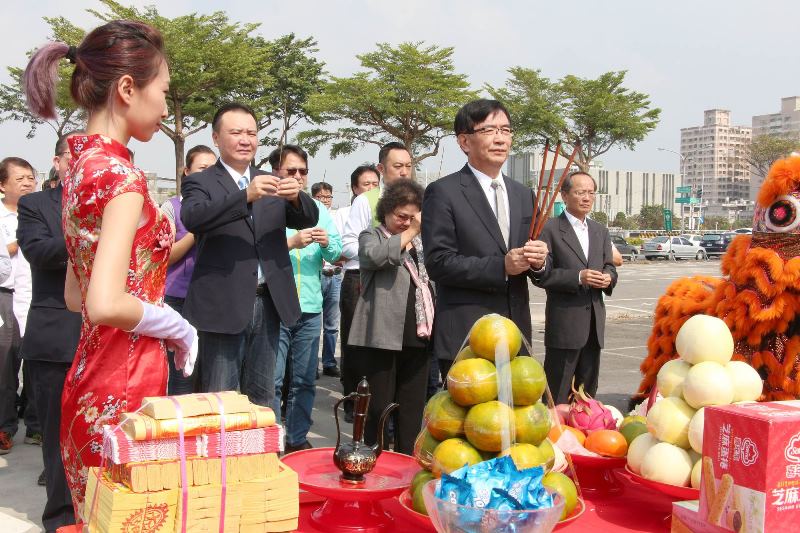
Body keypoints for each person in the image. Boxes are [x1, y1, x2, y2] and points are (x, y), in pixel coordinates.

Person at [23, 19, 198, 516]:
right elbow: (102, 303)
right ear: (127, 88)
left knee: (98, 516)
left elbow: (76, 296)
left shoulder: (80, 170)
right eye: (162, 90)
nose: (164, 106)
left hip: (88, 375)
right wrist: (174, 324)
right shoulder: (122, 178)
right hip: (125, 384)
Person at [181, 105, 318, 409]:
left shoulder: (270, 179)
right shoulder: (201, 181)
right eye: (236, 132)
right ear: (216, 138)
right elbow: (193, 217)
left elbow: (308, 218)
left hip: (268, 302)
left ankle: (262, 443)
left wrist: (296, 197)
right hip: (222, 305)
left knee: (263, 397)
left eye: (252, 133)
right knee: (220, 398)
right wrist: (245, 196)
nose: (245, 140)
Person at [422, 99, 550, 376]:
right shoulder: (443, 192)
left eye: (506, 130)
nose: (500, 139)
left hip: (515, 334)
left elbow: (543, 266)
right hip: (467, 335)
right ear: (464, 142)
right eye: (489, 130)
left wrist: (540, 261)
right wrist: (501, 266)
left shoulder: (523, 195)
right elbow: (438, 262)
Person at [16, 132, 83, 531]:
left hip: (107, 335)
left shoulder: (117, 204)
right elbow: (39, 252)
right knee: (59, 436)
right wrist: (89, 237)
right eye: (74, 157)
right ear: (58, 163)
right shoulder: (35, 205)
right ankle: (61, 517)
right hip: (56, 336)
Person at [348, 180, 433, 455]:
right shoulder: (371, 236)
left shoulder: (422, 242)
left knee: (412, 408)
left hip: (418, 334)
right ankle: (375, 459)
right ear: (386, 211)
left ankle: (407, 461)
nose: (406, 222)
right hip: (381, 335)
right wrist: (412, 231)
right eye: (401, 216)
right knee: (378, 407)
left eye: (412, 217)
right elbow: (375, 257)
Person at [269, 146, 341, 452]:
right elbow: (256, 250)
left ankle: (297, 438)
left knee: (304, 380)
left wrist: (326, 243)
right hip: (274, 305)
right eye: (291, 170)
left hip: (310, 307)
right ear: (276, 171)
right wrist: (291, 242)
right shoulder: (266, 203)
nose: (298, 176)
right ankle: (271, 441)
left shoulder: (318, 209)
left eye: (303, 171)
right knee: (272, 381)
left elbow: (336, 252)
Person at [341, 144, 412, 418]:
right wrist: (377, 254)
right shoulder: (366, 200)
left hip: (406, 288)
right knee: (364, 355)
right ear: (382, 169)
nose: (404, 172)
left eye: (408, 166)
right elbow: (349, 243)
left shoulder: (418, 199)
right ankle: (358, 407)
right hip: (366, 282)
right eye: (397, 166)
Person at [536, 172, 617, 404]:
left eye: (591, 193)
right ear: (564, 195)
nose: (586, 198)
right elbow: (542, 276)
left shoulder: (600, 231)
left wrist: (608, 278)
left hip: (594, 326)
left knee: (587, 397)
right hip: (565, 326)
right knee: (557, 396)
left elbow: (610, 266)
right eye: (580, 192)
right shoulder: (550, 229)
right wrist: (578, 277)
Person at [160, 145, 217, 394]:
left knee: (211, 373)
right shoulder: (171, 207)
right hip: (179, 299)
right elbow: (165, 257)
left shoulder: (224, 206)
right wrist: (197, 228)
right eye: (202, 169)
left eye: (213, 169)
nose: (208, 175)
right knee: (182, 374)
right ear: (187, 171)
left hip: (214, 299)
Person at [0, 156, 38, 456]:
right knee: (6, 363)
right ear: (2, 185)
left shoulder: (40, 211)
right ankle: (5, 426)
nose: (27, 184)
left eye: (30, 178)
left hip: (38, 296)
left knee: (38, 363)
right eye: (19, 179)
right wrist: (16, 243)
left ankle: (36, 424)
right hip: (6, 296)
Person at [311, 181, 341, 378]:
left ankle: (329, 362)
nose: (324, 200)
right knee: (313, 325)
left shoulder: (338, 216)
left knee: (331, 325)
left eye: (328, 196)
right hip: (317, 274)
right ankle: (311, 365)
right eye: (320, 197)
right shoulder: (311, 215)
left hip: (335, 275)